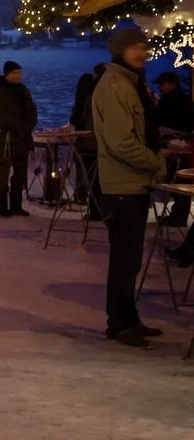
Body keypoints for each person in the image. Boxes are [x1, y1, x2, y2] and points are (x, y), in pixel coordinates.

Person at [92, 26, 166, 349]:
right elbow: (122, 142)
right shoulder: (115, 86)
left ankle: (128, 318)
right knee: (125, 259)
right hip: (122, 185)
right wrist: (154, 161)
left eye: (143, 46)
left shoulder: (130, 82)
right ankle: (120, 324)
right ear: (120, 50)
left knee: (129, 259)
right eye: (134, 47)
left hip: (132, 184)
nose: (141, 52)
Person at [0, 60, 37, 217]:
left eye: (20, 73)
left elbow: (32, 109)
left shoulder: (23, 90)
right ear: (7, 74)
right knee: (2, 175)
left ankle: (16, 205)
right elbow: (3, 115)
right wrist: (20, 126)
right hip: (6, 139)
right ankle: (2, 207)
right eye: (15, 73)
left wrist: (29, 125)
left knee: (20, 174)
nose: (18, 76)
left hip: (22, 139)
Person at [154, 70, 194, 228]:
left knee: (177, 180)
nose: (160, 88)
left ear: (172, 84)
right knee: (179, 180)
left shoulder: (171, 101)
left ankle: (178, 216)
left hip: (174, 145)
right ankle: (178, 214)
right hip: (182, 143)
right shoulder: (183, 99)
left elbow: (161, 119)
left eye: (163, 84)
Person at [70, 63, 108, 218]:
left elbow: (78, 119)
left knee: (93, 180)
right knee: (100, 180)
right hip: (100, 143)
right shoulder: (104, 96)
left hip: (87, 143)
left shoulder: (86, 100)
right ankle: (99, 209)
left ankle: (95, 210)